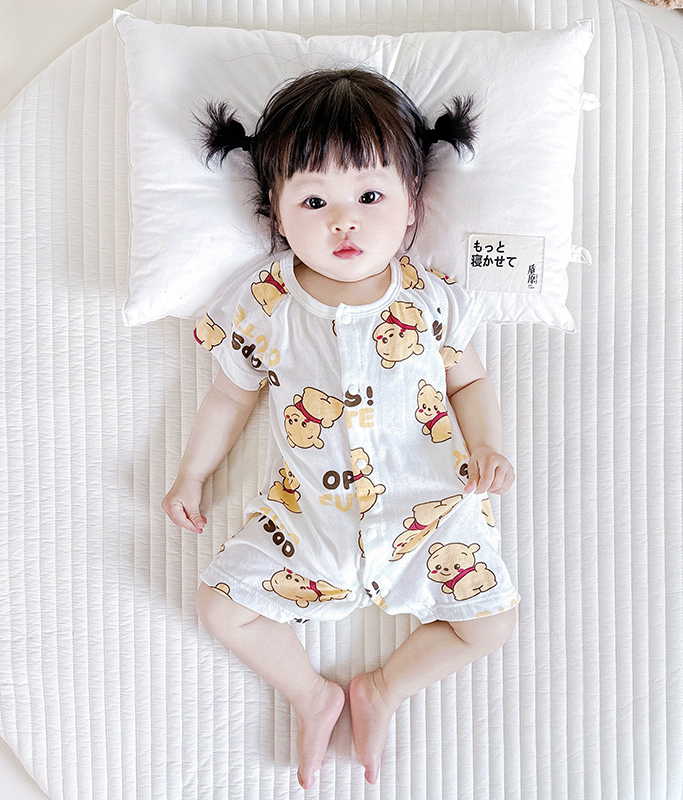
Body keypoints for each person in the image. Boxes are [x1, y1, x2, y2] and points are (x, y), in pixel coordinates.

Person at [162, 68, 520, 790]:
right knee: (220, 607)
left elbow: (468, 381)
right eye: (314, 201)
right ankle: (311, 693)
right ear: (275, 213)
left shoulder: (429, 298)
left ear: (413, 204)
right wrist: (192, 474)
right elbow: (230, 397)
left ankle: (383, 688)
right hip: (311, 522)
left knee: (491, 624)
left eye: (370, 197)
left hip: (431, 512)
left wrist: (486, 444)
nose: (343, 222)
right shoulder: (265, 302)